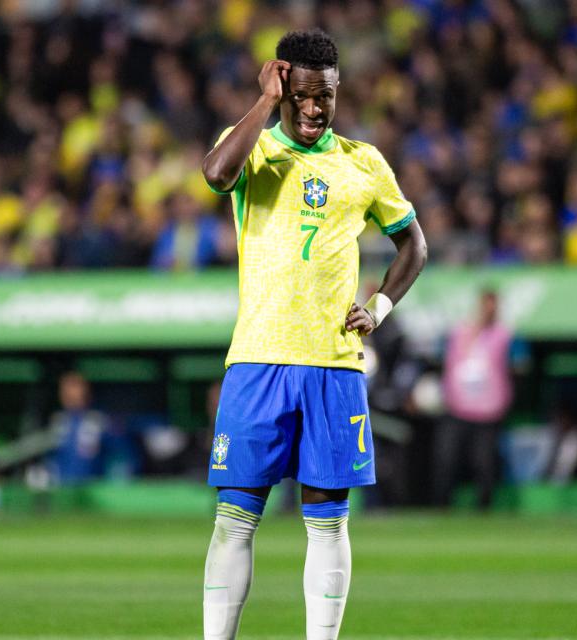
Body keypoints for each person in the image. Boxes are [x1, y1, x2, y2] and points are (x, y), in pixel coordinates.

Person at [199, 30, 427, 640]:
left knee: (328, 522)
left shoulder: (363, 162)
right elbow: (216, 175)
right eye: (299, 95)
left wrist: (379, 306)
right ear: (281, 89)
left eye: (322, 95)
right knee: (234, 521)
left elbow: (414, 244)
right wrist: (263, 102)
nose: (311, 108)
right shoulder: (250, 148)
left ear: (337, 90)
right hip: (258, 359)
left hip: (334, 363)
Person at [434, 288, 518, 510]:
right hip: (458, 407)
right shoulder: (460, 333)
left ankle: (484, 506)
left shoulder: (504, 335)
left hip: (489, 410)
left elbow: (516, 364)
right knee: (447, 459)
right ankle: (442, 505)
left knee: (484, 462)